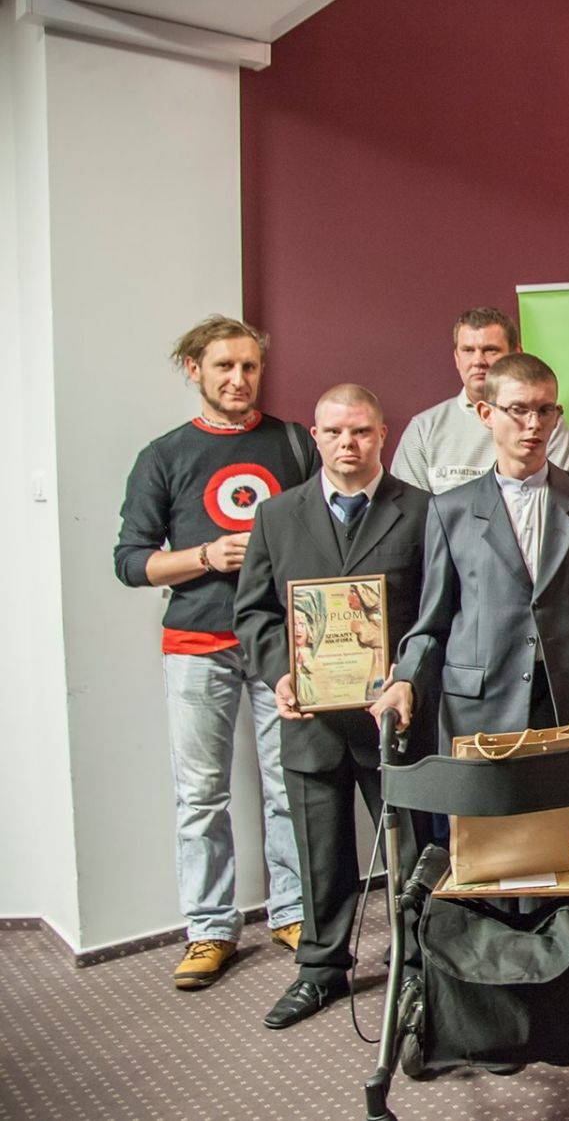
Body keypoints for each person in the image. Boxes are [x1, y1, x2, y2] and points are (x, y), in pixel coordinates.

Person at [112, 315, 316, 990]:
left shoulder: (294, 443)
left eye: (249, 366)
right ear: (194, 369)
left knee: (289, 785)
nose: (239, 378)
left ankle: (294, 912)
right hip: (197, 646)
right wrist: (206, 556)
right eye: (224, 366)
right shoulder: (163, 456)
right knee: (200, 796)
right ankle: (209, 929)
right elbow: (131, 562)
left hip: (282, 644)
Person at [234, 385, 435, 1030]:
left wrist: (408, 678)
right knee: (320, 854)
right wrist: (281, 674)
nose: (348, 443)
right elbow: (254, 613)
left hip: (394, 721)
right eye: (335, 432)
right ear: (315, 437)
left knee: (411, 851)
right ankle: (320, 971)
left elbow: (439, 614)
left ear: (382, 435)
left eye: (361, 431)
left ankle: (418, 962)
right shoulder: (277, 516)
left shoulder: (424, 511)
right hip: (311, 721)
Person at [374, 353, 569, 750]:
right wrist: (405, 680)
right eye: (518, 410)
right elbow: (432, 623)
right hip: (477, 710)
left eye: (546, 410)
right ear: (486, 413)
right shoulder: (449, 510)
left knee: (566, 796)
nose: (534, 423)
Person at [390, 307, 569, 495]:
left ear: (516, 354)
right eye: (468, 350)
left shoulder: (545, 422)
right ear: (456, 358)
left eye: (490, 350)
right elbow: (410, 509)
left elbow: (558, 501)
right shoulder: (423, 429)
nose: (478, 361)